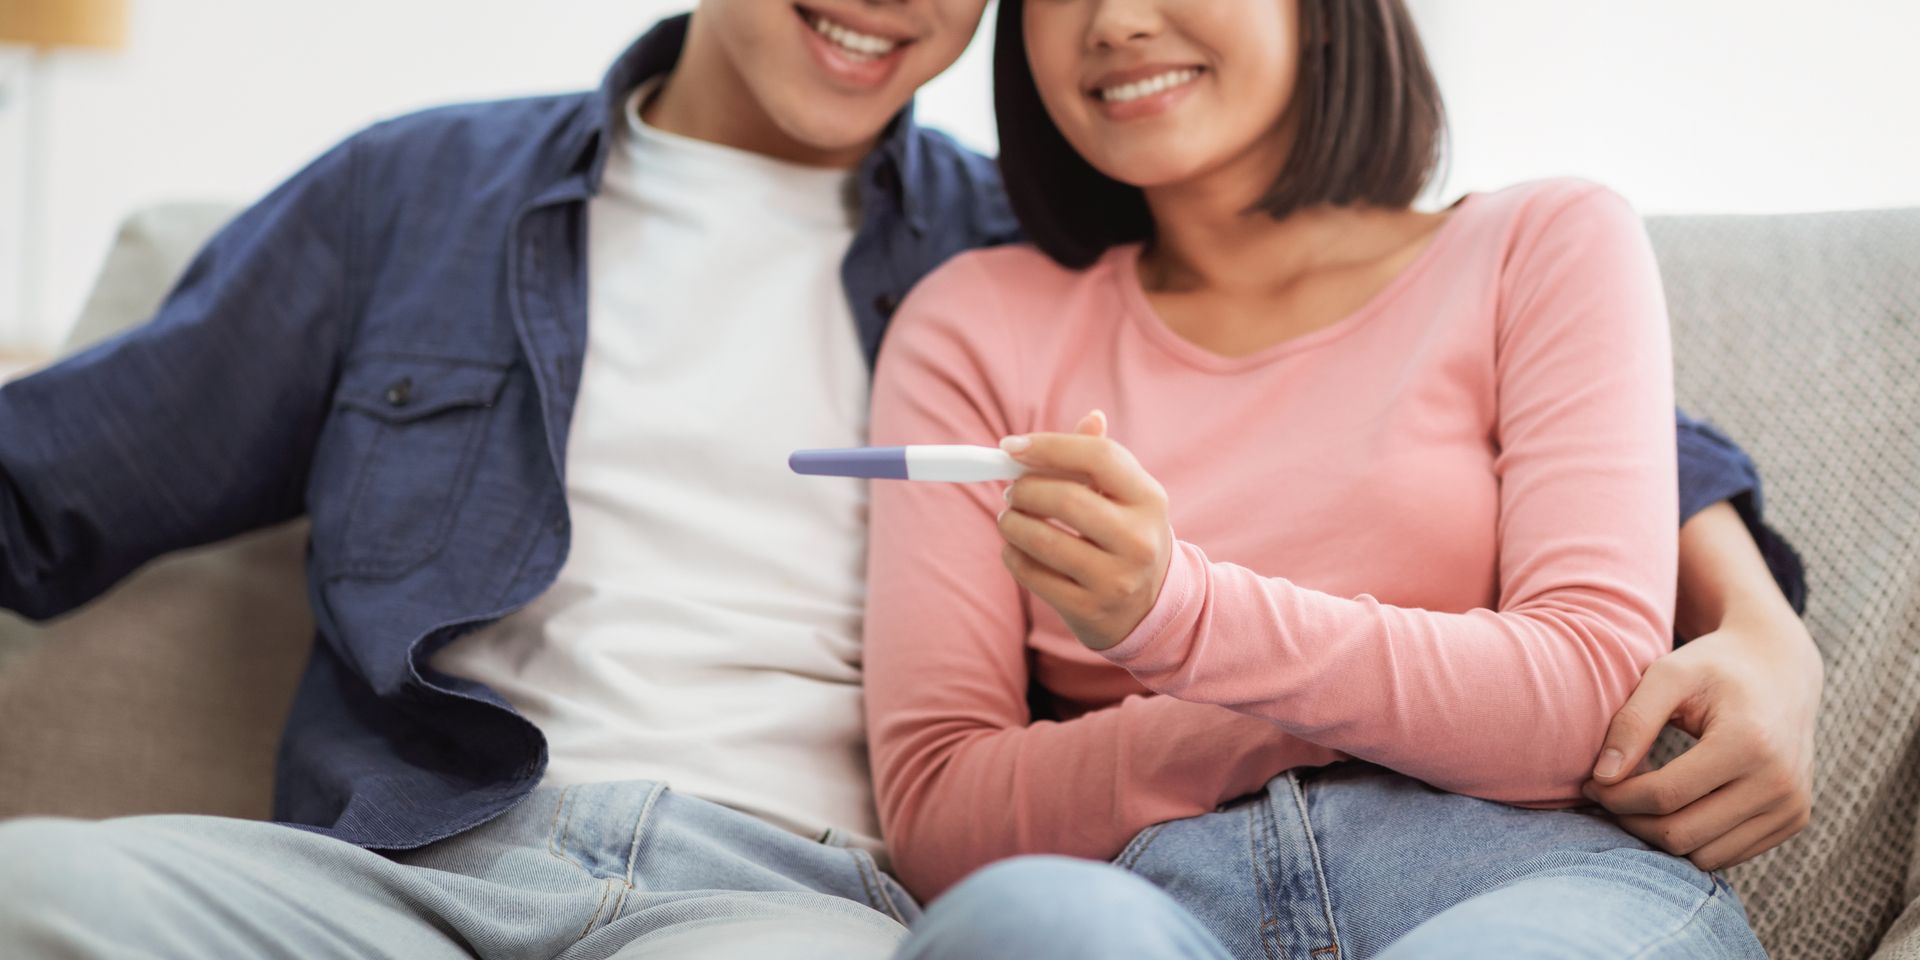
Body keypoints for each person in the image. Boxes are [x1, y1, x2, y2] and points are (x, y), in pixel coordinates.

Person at [0, 0, 1810, 957]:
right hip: (412, 852)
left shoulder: (993, 243)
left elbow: (1486, 403)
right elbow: (55, 472)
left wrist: (1752, 616)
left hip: (783, 902)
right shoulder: (419, 194)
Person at [862, 0, 1812, 956]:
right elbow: (943, 816)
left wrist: (1183, 619)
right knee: (1025, 930)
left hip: (1526, 874)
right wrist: (1432, 704)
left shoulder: (1545, 242)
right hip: (1141, 894)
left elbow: (1583, 706)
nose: (1113, 21)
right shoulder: (971, 325)